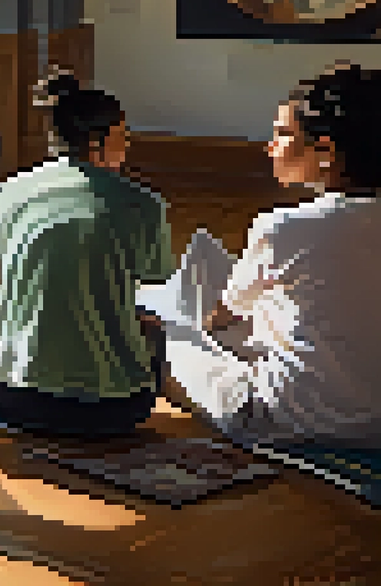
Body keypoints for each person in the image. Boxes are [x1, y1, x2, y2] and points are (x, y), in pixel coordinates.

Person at [148, 63, 381, 448]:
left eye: (283, 134)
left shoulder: (285, 227)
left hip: (290, 421)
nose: (269, 146)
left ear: (325, 151)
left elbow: (222, 316)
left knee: (170, 334)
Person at [0, 71, 175, 438]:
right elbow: (157, 294)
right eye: (123, 138)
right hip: (113, 410)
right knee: (157, 330)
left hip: (10, 402)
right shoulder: (144, 205)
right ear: (98, 144)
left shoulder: (11, 192)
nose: (128, 147)